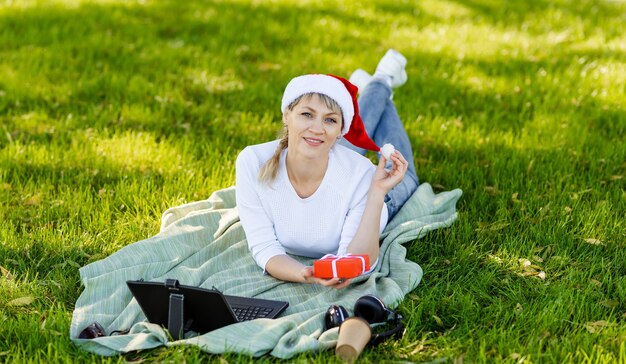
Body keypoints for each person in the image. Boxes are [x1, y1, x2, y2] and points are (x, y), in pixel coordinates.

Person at [235, 49, 419, 289]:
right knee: (330, 148)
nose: (317, 128)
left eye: (330, 120)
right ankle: (379, 86)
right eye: (306, 114)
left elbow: (356, 261)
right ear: (287, 115)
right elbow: (264, 248)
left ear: (342, 130)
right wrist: (306, 273)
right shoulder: (253, 161)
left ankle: (381, 82)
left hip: (363, 187)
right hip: (332, 161)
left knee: (408, 178)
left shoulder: (363, 175)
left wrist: (377, 193)